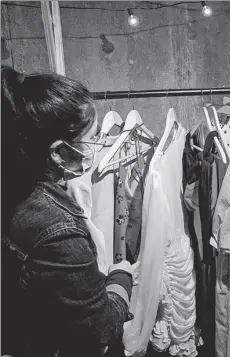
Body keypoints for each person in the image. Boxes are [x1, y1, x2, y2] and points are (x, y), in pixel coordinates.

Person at [1, 66, 139, 357]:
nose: (99, 146)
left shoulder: (12, 184)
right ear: (58, 151)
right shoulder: (55, 227)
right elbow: (102, 327)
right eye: (92, 139)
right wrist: (120, 279)